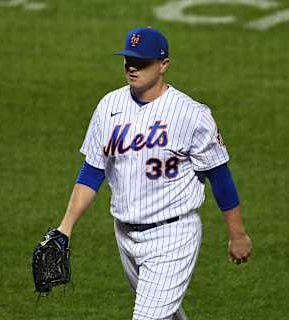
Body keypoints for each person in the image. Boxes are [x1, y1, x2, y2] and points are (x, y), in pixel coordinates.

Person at [56, 26, 252, 320]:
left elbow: (219, 176)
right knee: (165, 314)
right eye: (128, 60)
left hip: (173, 235)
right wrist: (65, 227)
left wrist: (237, 235)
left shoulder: (191, 114)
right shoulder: (109, 106)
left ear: (163, 65)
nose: (132, 67)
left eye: (142, 62)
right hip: (124, 233)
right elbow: (91, 172)